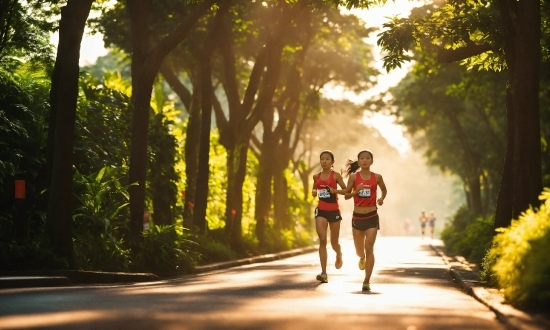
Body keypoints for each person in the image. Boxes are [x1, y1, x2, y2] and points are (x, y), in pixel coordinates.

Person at [343, 149, 387, 292]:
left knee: (369, 248)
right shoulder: (354, 178)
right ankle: (361, 257)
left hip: (372, 216)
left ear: (371, 161)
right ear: (359, 161)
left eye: (367, 158)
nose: (364, 160)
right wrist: (356, 191)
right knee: (359, 250)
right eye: (362, 158)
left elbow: (384, 190)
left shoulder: (377, 177)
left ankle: (366, 280)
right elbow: (346, 196)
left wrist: (381, 199)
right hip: (357, 217)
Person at [312, 150, 347, 283]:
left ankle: (339, 253)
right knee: (322, 239)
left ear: (332, 162)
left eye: (327, 159)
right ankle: (324, 272)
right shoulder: (316, 176)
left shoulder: (336, 176)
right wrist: (314, 191)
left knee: (334, 242)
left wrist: (334, 190)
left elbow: (346, 191)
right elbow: (314, 189)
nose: (324, 161)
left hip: (334, 212)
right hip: (321, 210)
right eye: (322, 159)